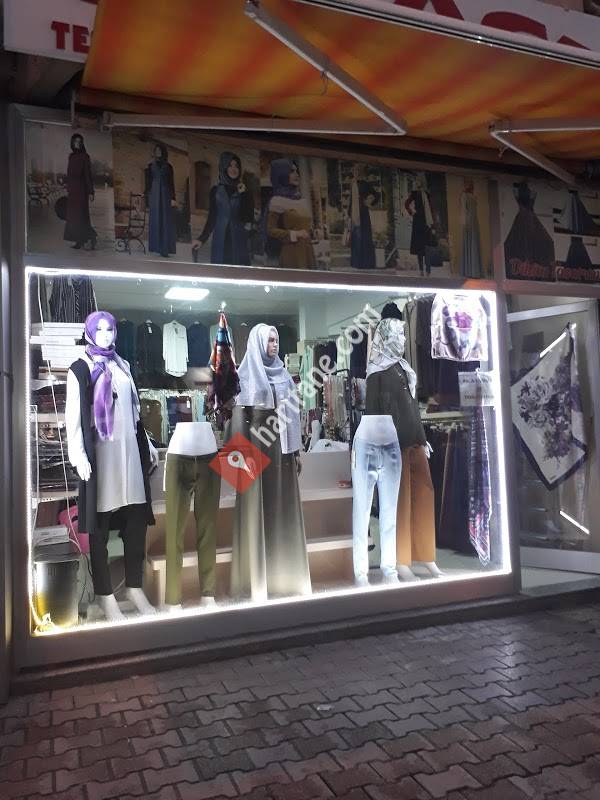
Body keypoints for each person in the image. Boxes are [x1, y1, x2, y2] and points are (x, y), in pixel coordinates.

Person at [66, 311, 158, 621]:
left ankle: (134, 587)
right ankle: (105, 595)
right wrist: (78, 455)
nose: (106, 334)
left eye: (110, 329)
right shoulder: (80, 369)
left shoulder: (123, 365)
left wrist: (147, 444)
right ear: (90, 332)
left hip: (128, 452)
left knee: (135, 522)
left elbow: (134, 411)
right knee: (100, 528)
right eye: (100, 329)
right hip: (102, 456)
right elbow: (73, 419)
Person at [228, 324, 311, 600]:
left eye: (276, 340)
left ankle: (286, 579)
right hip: (255, 453)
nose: (274, 345)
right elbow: (238, 422)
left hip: (283, 453)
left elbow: (292, 415)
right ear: (258, 343)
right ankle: (257, 583)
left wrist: (296, 452)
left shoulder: (284, 376)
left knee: (282, 511)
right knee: (256, 513)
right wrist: (237, 468)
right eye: (270, 341)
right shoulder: (245, 376)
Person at [192, 151, 253, 265]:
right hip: (220, 238)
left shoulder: (245, 191)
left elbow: (248, 218)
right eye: (230, 165)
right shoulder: (215, 191)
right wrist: (202, 239)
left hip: (239, 238)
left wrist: (244, 195)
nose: (233, 169)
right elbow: (212, 217)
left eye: (236, 166)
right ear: (224, 167)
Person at [265, 159, 316, 269]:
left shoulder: (300, 199)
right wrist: (295, 234)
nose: (296, 174)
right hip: (292, 253)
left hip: (307, 250)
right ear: (282, 174)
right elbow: (270, 230)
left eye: (297, 171)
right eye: (291, 171)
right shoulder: (277, 201)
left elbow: (304, 226)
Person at [63, 133, 97, 250]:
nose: (77, 143)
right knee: (73, 217)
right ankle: (79, 241)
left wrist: (91, 192)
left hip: (82, 191)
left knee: (81, 217)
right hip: (72, 191)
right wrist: (68, 187)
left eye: (79, 141)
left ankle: (92, 237)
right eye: (75, 141)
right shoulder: (71, 156)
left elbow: (88, 175)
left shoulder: (85, 157)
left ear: (82, 143)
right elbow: (69, 174)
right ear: (72, 143)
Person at [145, 143, 177, 258]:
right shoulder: (150, 166)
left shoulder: (168, 166)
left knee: (165, 221)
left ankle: (165, 248)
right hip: (154, 195)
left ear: (163, 152)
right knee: (155, 220)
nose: (158, 152)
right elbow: (147, 184)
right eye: (156, 150)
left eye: (160, 150)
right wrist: (146, 197)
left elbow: (171, 183)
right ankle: (156, 247)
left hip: (165, 194)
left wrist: (173, 198)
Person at [348, 164, 376, 269]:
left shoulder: (365, 184)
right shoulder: (352, 184)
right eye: (354, 171)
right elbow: (351, 200)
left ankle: (365, 264)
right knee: (355, 239)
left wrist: (368, 202)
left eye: (357, 171)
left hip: (363, 214)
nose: (355, 173)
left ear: (360, 172)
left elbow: (376, 194)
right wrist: (348, 214)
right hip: (354, 215)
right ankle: (356, 263)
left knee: (363, 239)